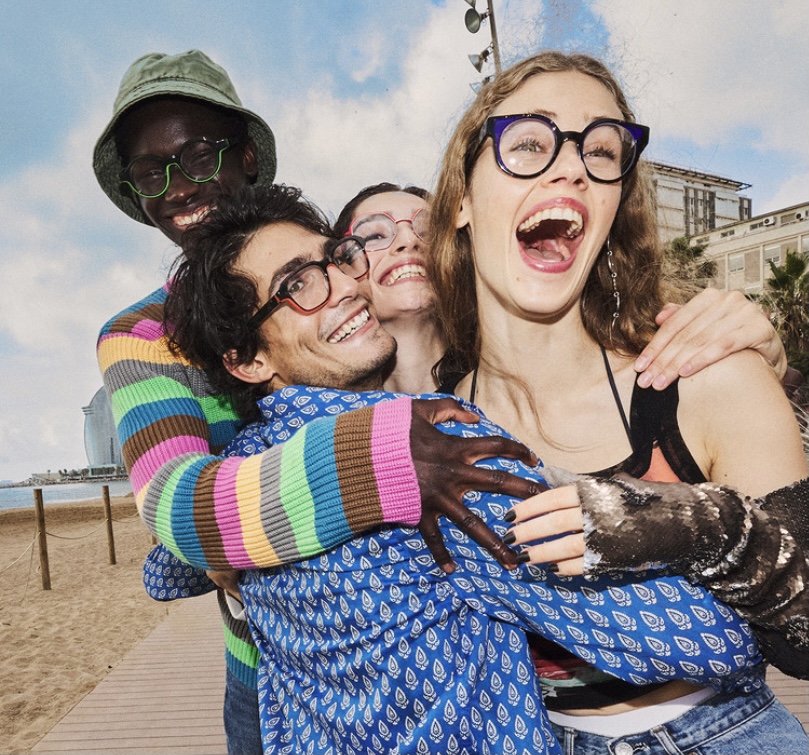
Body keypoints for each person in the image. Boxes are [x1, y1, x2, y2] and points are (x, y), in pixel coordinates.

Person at [165, 182, 766, 755]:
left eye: (336, 260)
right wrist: (717, 551)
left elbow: (164, 571)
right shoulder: (433, 447)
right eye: (298, 284)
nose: (345, 284)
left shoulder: (246, 463)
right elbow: (691, 639)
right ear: (247, 361)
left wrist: (223, 562)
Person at [93, 50, 544, 755]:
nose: (179, 187)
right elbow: (177, 506)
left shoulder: (323, 271)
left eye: (200, 156)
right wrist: (382, 456)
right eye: (152, 172)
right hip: (271, 664)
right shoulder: (141, 333)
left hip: (463, 646)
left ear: (247, 156)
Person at [428, 50, 809, 753]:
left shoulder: (707, 380)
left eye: (601, 151)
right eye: (529, 143)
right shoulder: (428, 429)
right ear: (462, 199)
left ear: (613, 206)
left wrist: (695, 525)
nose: (572, 167)